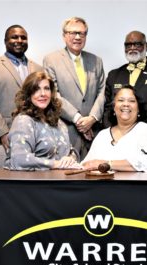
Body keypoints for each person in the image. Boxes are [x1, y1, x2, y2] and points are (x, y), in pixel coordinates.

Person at [103, 30, 147, 168]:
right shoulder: (114, 75)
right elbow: (107, 109)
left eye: (137, 44)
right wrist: (113, 137)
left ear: (146, 46)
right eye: (128, 44)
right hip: (117, 149)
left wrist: (136, 134)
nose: (132, 48)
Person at [0, 24, 43, 168]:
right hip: (3, 140)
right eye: (14, 37)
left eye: (23, 38)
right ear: (5, 41)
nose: (19, 40)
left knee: (30, 187)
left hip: (34, 139)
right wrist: (3, 133)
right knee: (1, 185)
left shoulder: (38, 68)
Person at [43, 17, 105, 160]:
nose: (77, 37)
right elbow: (53, 94)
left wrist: (92, 118)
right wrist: (78, 119)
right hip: (65, 132)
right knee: (66, 178)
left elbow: (102, 92)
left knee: (94, 178)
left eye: (82, 33)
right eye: (73, 33)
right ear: (64, 35)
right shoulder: (51, 60)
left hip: (93, 133)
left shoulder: (96, 61)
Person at [4, 71, 80, 171]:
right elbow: (20, 159)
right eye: (36, 89)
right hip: (35, 183)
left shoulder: (59, 122)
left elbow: (70, 151)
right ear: (28, 93)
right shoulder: (23, 121)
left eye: (46, 89)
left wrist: (69, 159)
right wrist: (56, 164)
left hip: (60, 181)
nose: (43, 94)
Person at [82, 85, 147, 172]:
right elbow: (87, 164)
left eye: (131, 101)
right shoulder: (102, 135)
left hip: (135, 185)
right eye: (121, 100)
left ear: (138, 108)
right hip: (102, 185)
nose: (126, 104)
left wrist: (107, 164)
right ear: (114, 108)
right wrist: (70, 160)